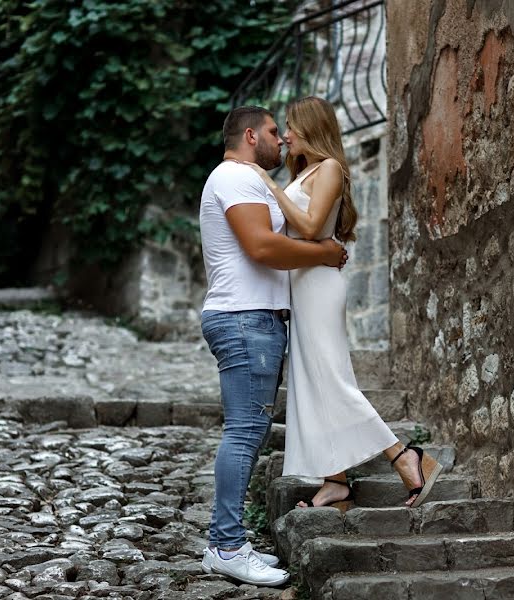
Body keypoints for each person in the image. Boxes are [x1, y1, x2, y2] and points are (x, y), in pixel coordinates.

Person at [242, 96, 442, 512]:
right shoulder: (307, 172)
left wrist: (272, 187)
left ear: (311, 128)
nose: (287, 137)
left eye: (291, 128)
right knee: (312, 382)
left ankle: (405, 457)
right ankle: (335, 481)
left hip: (318, 285)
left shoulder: (329, 168)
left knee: (333, 380)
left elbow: (314, 228)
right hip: (301, 286)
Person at [197, 105, 348, 587]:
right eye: (270, 131)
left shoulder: (249, 180)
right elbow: (261, 247)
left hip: (254, 319)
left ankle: (229, 540)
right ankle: (225, 545)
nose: (280, 139)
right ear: (249, 135)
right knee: (243, 433)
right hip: (243, 319)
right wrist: (324, 253)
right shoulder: (236, 177)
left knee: (248, 432)